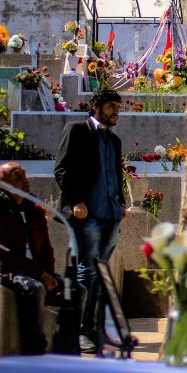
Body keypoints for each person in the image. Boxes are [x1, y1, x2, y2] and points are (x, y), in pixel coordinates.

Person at [54, 88, 125, 353]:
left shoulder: (114, 140)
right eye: (110, 106)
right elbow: (61, 169)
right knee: (86, 271)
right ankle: (77, 330)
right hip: (87, 215)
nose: (116, 111)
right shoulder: (77, 130)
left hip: (111, 216)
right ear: (96, 106)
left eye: (118, 107)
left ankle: (90, 328)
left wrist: (122, 204)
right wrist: (75, 201)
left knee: (100, 273)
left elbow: (116, 174)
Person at [0, 162, 62, 355]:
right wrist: (41, 275)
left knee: (75, 290)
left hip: (36, 271)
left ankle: (65, 350)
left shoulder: (34, 208)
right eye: (17, 177)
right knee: (33, 288)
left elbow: (46, 247)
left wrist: (48, 273)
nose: (25, 180)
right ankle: (34, 351)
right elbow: (2, 252)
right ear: (3, 184)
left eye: (24, 175)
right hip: (4, 270)